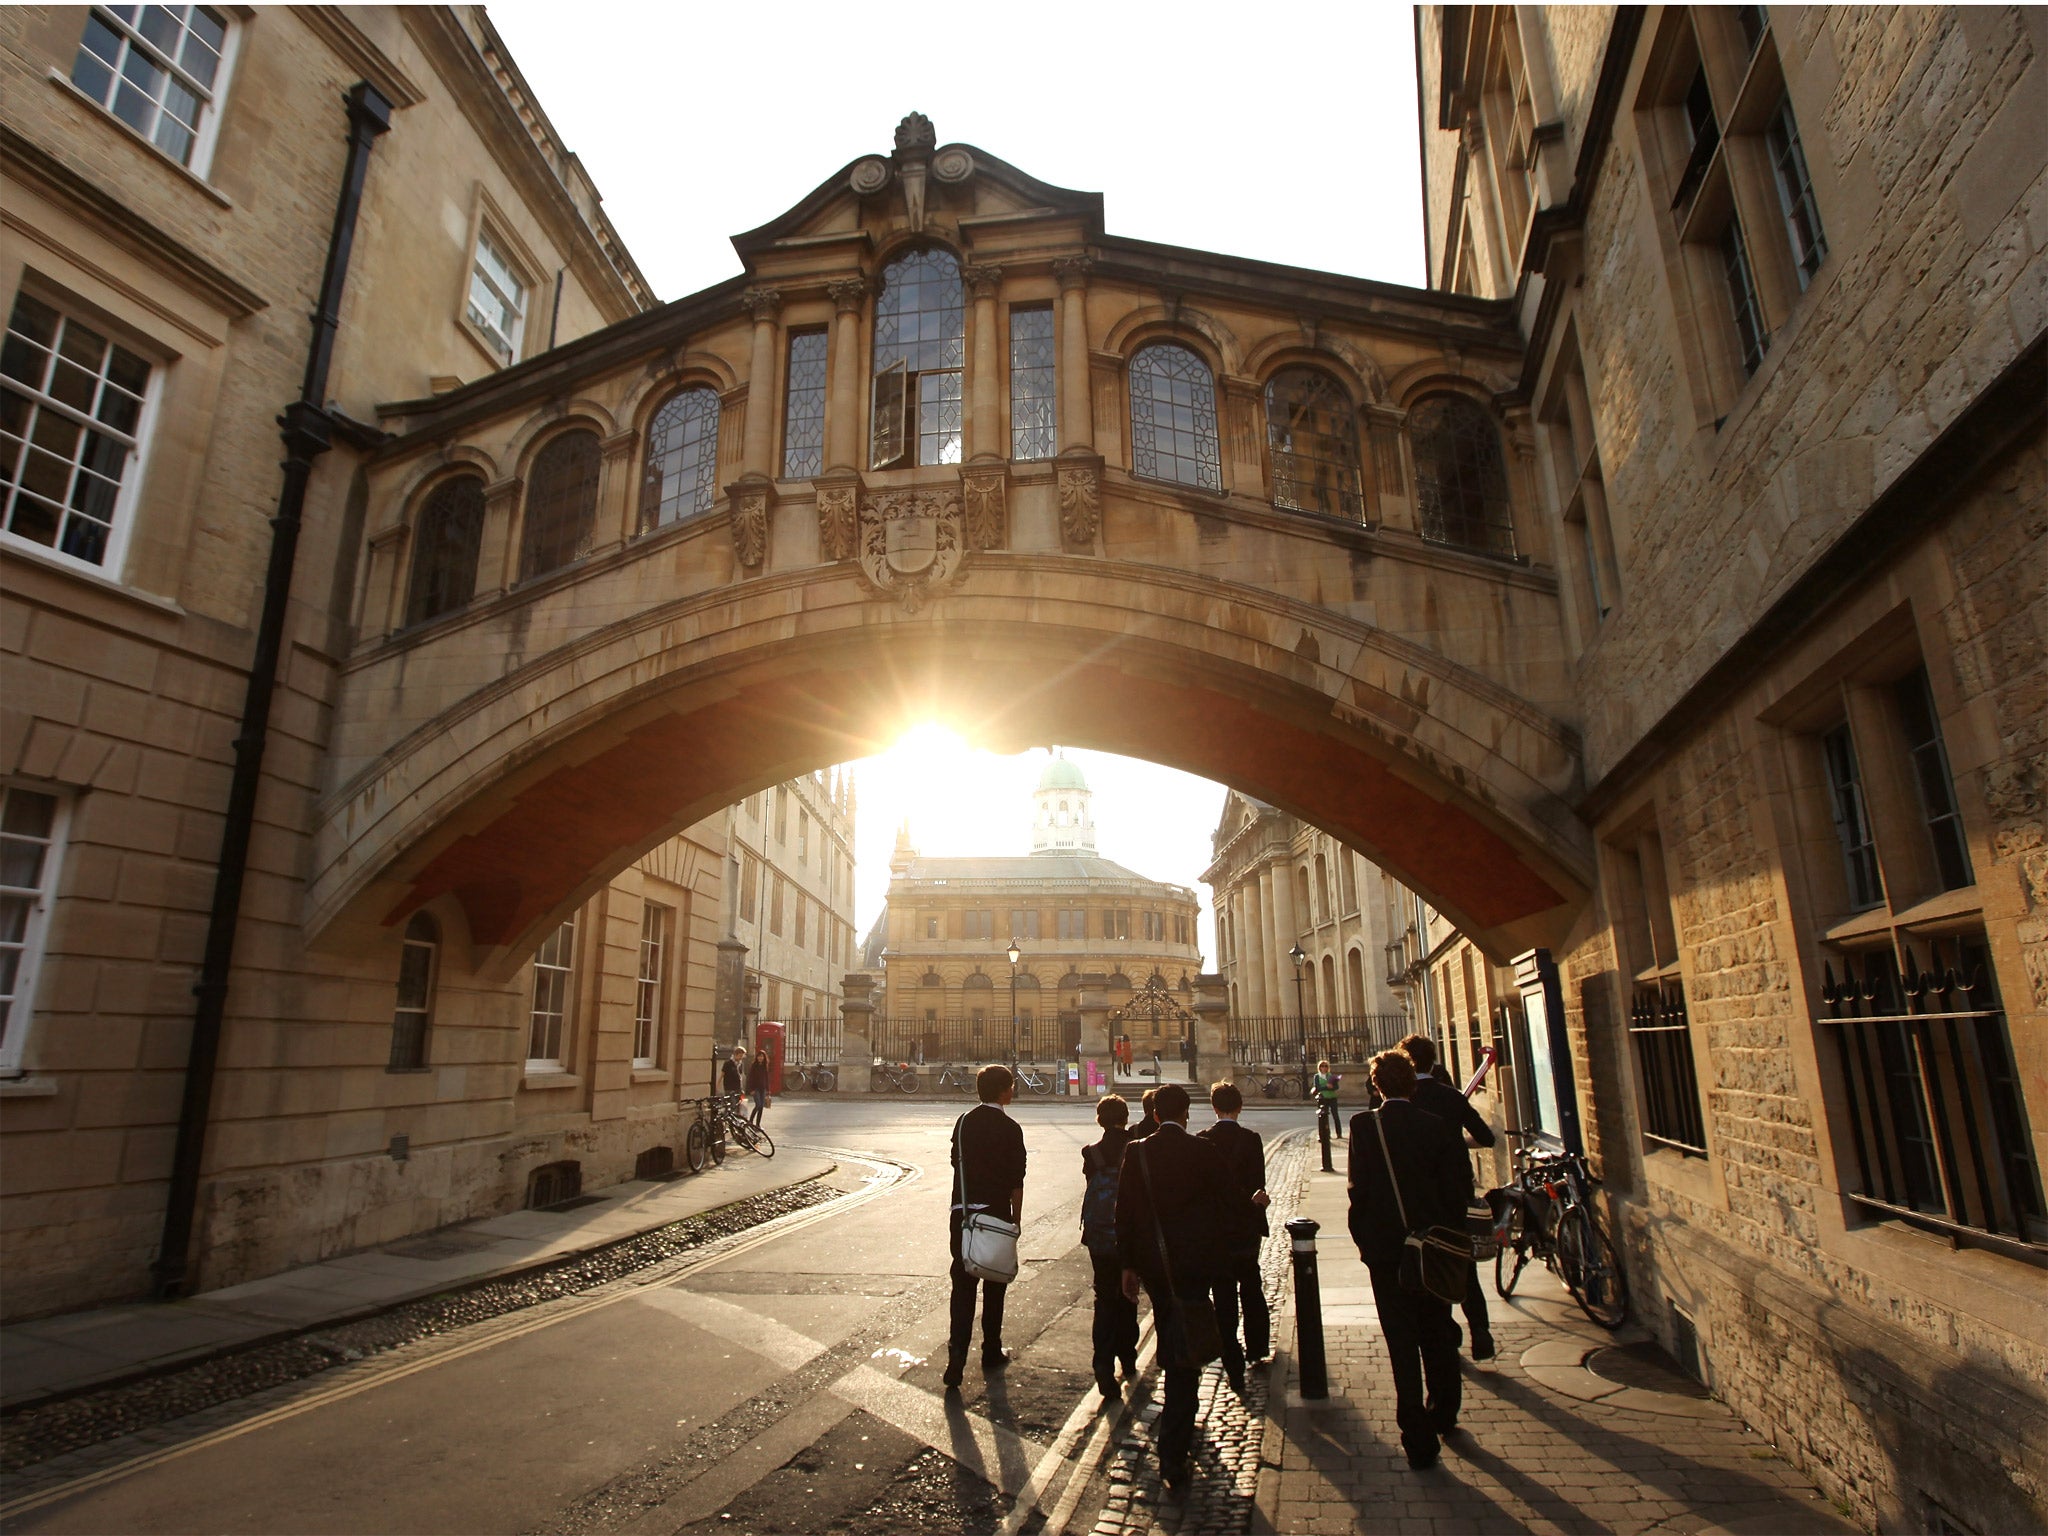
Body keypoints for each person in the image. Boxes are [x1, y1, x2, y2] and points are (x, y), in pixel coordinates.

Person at [1348, 1049, 1472, 1469]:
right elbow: (1458, 1188)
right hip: (1433, 1248)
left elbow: (1357, 1193)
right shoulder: (1436, 1127)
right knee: (1438, 1329)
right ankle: (1445, 1411)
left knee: (1401, 1341)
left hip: (1387, 1252)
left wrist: (1365, 1244)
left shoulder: (1365, 1126)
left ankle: (1416, 1434)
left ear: (1376, 1085)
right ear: (1413, 1085)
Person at [1117, 1082, 1236, 1494]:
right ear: (1188, 1113)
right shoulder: (1203, 1151)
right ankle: (1176, 1442)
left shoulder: (1137, 1152)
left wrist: (1128, 1265)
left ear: (1153, 1115)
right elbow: (1228, 1206)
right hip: (1195, 1265)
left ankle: (1172, 1449)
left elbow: (1124, 1214)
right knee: (1185, 1342)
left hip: (1154, 1265)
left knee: (1171, 1330)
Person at [1399, 1032, 1497, 1361]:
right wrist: (1458, 1144)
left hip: (1419, 1197)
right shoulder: (1451, 1096)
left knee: (1429, 1264)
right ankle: (1480, 1332)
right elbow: (1485, 1137)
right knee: (1463, 1263)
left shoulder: (1405, 1100)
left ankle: (1447, 1333)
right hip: (1456, 1191)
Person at [945, 1063, 1026, 1389]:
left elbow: (955, 1161)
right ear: (1004, 1091)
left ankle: (956, 1359)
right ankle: (991, 1350)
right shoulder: (1010, 1128)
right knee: (994, 1285)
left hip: (961, 1213)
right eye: (1011, 1086)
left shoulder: (963, 1122)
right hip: (994, 1213)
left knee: (962, 1287)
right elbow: (1016, 1181)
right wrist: (1016, 1221)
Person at [1198, 1080, 1271, 1395]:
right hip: (1245, 1227)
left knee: (1223, 1295)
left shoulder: (1202, 1141)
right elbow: (1258, 1184)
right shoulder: (1251, 1139)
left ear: (1214, 1107)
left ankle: (1232, 1360)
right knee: (1252, 1287)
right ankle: (1256, 1348)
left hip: (1215, 1229)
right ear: (1239, 1107)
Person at [1080, 1093, 1139, 1396]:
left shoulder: (1091, 1152)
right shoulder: (1137, 1149)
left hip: (1099, 1235)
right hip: (1129, 1234)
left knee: (1104, 1298)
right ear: (1125, 1118)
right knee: (1128, 1294)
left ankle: (1102, 1366)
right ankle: (1127, 1357)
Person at [1312, 1058, 1343, 1139]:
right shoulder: (1317, 1076)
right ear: (1319, 1067)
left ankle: (1339, 1133)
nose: (1324, 1067)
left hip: (1332, 1097)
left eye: (1326, 1066)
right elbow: (1317, 1087)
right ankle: (1325, 1134)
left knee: (1335, 1116)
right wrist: (1326, 1086)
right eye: (1322, 1066)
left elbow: (1336, 1087)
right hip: (1323, 1098)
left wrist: (1332, 1087)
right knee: (1323, 1117)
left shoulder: (1331, 1076)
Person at [747, 1046, 770, 1127]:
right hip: (755, 1088)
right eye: (759, 1056)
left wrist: (768, 1090)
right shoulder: (754, 1066)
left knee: (761, 1107)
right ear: (757, 1057)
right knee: (758, 1105)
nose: (760, 1058)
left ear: (764, 1057)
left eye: (762, 1056)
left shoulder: (765, 1066)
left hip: (762, 1089)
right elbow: (750, 1078)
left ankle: (758, 1124)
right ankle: (750, 1120)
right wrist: (751, 1089)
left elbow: (766, 1078)